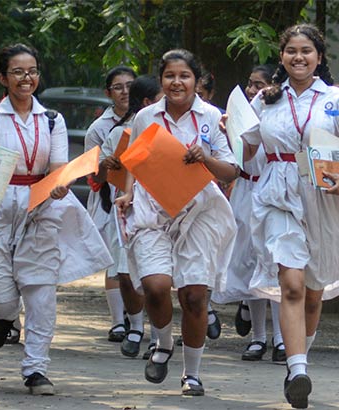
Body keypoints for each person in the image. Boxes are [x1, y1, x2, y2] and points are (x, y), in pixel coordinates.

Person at [0, 43, 112, 396]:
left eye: (31, 71)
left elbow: (59, 169)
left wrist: (59, 186)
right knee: (1, 295)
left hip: (40, 207)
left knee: (41, 290)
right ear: (3, 77)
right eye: (17, 72)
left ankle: (36, 369)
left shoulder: (52, 120)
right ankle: (4, 316)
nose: (25, 78)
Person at [240, 24, 339, 408]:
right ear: (281, 56)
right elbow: (247, 150)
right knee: (292, 284)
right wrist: (231, 133)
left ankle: (300, 358)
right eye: (291, 51)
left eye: (306, 51)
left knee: (313, 294)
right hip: (276, 194)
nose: (298, 57)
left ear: (319, 56)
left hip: (323, 194)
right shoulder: (265, 100)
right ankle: (297, 370)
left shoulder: (336, 99)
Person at [114, 49, 239, 397]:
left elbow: (231, 170)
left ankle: (193, 373)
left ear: (196, 81)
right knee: (155, 286)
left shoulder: (212, 117)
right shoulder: (145, 117)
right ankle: (164, 343)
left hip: (200, 210)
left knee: (195, 295)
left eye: (184, 75)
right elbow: (135, 163)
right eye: (169, 76)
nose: (176, 82)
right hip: (153, 208)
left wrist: (206, 158)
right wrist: (127, 193)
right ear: (161, 80)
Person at [212, 64, 287, 363]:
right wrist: (228, 132)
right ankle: (258, 337)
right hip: (245, 191)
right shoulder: (237, 117)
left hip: (273, 192)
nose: (253, 90)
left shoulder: (278, 117)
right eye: (250, 84)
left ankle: (282, 338)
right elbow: (237, 157)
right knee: (249, 264)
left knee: (276, 264)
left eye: (260, 85)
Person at [95, 74, 162, 359]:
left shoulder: (169, 132)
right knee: (124, 272)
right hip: (125, 212)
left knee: (155, 277)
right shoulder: (117, 134)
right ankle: (135, 326)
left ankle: (160, 335)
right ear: (147, 103)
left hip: (161, 212)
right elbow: (97, 176)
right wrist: (105, 165)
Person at [85, 65, 137, 343]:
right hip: (109, 201)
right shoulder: (99, 128)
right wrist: (105, 166)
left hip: (141, 199)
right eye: (118, 87)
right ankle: (118, 321)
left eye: (130, 85)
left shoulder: (147, 119)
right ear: (108, 93)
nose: (124, 91)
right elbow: (91, 173)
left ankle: (135, 316)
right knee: (115, 262)